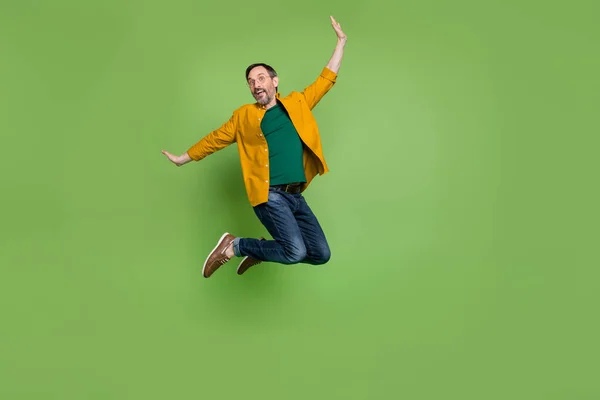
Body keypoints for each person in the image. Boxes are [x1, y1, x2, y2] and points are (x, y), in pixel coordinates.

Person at [162, 16, 347, 278]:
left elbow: (326, 79)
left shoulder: (298, 103)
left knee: (320, 254)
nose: (256, 84)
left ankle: (257, 250)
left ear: (275, 81)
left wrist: (341, 42)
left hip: (296, 195)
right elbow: (215, 138)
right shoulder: (244, 117)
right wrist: (184, 157)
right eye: (251, 81)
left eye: (261, 78)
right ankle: (234, 245)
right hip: (268, 194)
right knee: (294, 252)